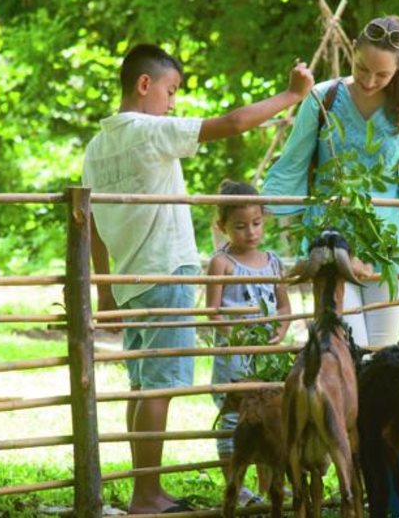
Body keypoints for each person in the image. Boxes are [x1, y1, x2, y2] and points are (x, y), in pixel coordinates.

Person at [82, 44, 313, 515]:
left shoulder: (96, 147)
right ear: (144, 85)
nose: (172, 103)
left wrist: (104, 286)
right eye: (170, 91)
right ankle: (147, 495)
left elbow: (90, 221)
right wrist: (291, 96)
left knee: (144, 386)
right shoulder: (149, 131)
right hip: (165, 272)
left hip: (129, 279)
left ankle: (143, 488)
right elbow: (230, 124)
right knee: (162, 386)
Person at [262, 15, 399, 347]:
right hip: (331, 237)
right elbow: (294, 159)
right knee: (345, 343)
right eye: (362, 69)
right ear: (352, 53)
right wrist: (263, 208)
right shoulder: (322, 99)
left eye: (382, 74)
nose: (370, 80)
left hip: (383, 241)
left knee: (381, 350)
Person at [206, 179, 291, 505]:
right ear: (222, 226)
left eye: (256, 223)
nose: (250, 232)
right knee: (233, 415)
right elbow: (212, 312)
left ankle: (270, 484)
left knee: (271, 414)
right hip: (234, 356)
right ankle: (235, 485)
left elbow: (284, 306)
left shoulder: (273, 262)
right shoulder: (222, 263)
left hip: (268, 353)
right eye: (240, 226)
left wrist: (281, 329)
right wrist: (235, 336)